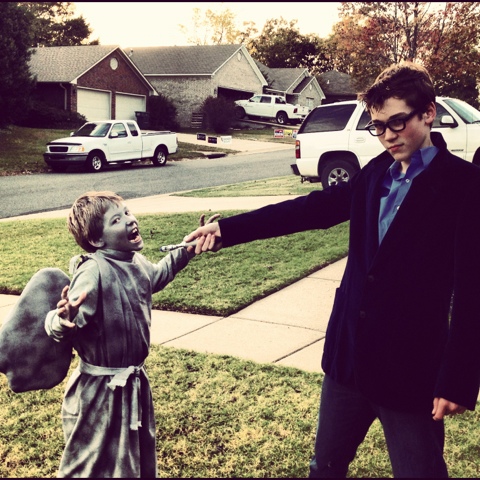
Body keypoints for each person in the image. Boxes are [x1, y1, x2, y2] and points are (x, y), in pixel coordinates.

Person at [184, 62, 480, 477]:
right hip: (348, 361)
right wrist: (228, 229)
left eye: (397, 122)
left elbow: (472, 291)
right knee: (324, 468)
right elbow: (312, 209)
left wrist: (459, 379)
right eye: (378, 126)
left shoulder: (465, 186)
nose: (388, 135)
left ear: (428, 113)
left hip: (410, 368)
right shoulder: (374, 174)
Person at [44, 191, 210, 478]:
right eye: (117, 220)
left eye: (128, 213)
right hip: (99, 391)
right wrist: (63, 319)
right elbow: (62, 321)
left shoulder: (136, 261)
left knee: (131, 457)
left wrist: (186, 249)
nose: (130, 220)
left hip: (132, 382)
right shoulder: (93, 270)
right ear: (98, 240)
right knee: (91, 460)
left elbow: (158, 275)